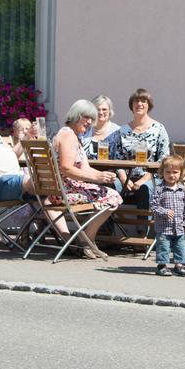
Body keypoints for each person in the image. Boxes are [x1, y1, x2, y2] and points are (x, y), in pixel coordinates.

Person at [49, 99, 123, 259]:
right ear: (75, 116)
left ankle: (85, 238)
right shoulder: (68, 136)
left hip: (63, 190)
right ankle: (86, 238)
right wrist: (96, 177)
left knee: (109, 192)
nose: (90, 122)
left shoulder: (72, 135)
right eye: (86, 118)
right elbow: (67, 168)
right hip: (64, 193)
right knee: (113, 197)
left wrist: (101, 176)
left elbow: (84, 168)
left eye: (92, 119)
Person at [114, 88, 171, 206]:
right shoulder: (122, 130)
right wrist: (124, 179)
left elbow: (163, 159)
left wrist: (143, 180)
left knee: (144, 189)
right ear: (131, 105)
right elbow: (117, 159)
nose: (139, 104)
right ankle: (106, 224)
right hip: (126, 178)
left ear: (149, 105)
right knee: (110, 186)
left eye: (143, 101)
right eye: (136, 101)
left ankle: (144, 224)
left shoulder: (159, 128)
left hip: (150, 178)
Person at [150, 155, 185, 277]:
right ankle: (161, 266)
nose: (171, 175)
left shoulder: (183, 189)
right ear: (162, 172)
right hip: (164, 227)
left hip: (179, 226)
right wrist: (164, 212)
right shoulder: (159, 189)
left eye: (175, 172)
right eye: (168, 172)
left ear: (181, 173)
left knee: (180, 247)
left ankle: (179, 266)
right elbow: (153, 206)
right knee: (164, 247)